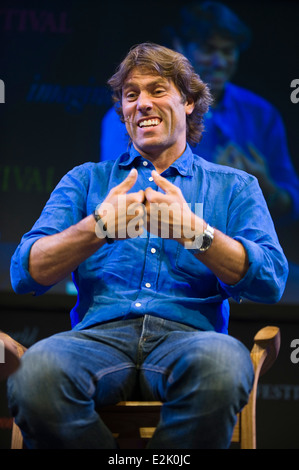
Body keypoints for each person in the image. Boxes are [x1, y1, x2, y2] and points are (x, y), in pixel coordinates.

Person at [7, 43, 288, 449]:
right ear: (121, 109)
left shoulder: (234, 185)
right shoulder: (85, 180)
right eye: (131, 94)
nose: (141, 104)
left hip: (191, 338)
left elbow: (270, 281)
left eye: (157, 90)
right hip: (95, 339)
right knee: (35, 375)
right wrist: (97, 228)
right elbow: (25, 272)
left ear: (189, 102)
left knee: (223, 365)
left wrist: (194, 232)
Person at [100, 2, 299, 225]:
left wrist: (267, 186)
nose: (219, 62)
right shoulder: (132, 116)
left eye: (227, 51)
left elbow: (292, 204)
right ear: (178, 48)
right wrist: (220, 184)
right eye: (208, 49)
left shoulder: (262, 114)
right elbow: (123, 198)